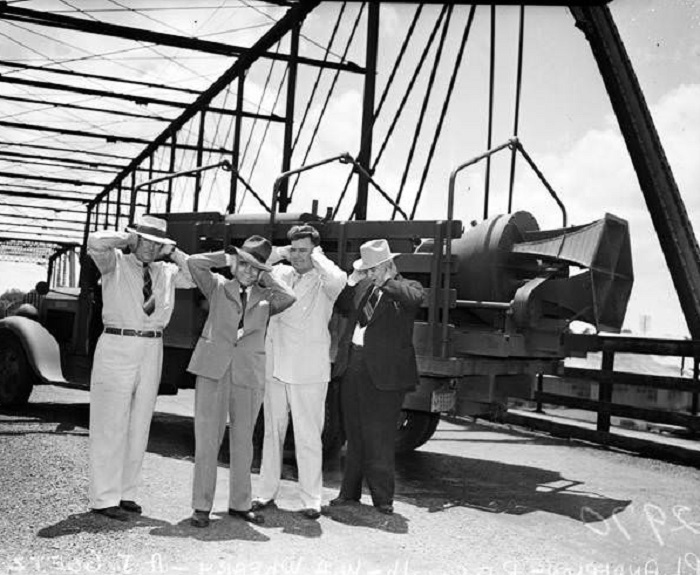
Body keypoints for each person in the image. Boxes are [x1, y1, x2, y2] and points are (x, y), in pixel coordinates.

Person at [88, 214, 193, 521]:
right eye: (145, 240)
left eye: (156, 243)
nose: (149, 248)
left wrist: (172, 252)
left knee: (139, 423)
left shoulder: (169, 271)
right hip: (117, 343)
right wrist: (128, 238)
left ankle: (127, 493)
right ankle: (104, 497)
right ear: (134, 239)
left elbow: (197, 273)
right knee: (110, 422)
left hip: (152, 346)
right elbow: (95, 241)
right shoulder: (114, 262)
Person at [187, 235, 296, 528]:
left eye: (254, 267)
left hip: (248, 373)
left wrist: (267, 272)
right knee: (208, 439)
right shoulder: (218, 287)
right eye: (244, 264)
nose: (248, 271)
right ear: (236, 263)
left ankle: (240, 503)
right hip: (213, 370)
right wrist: (228, 258)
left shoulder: (266, 297)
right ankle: (201, 506)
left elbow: (289, 297)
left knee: (243, 441)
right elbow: (193, 262)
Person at [253, 225, 347, 520]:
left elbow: (339, 279)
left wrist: (314, 255)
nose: (296, 256)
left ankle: (311, 499)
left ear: (316, 251)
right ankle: (266, 493)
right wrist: (285, 250)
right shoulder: (281, 273)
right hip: (276, 362)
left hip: (308, 368)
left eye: (302, 250)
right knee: (272, 432)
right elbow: (257, 264)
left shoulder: (325, 280)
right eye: (293, 250)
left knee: (308, 435)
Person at [329, 238, 424, 515]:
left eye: (372, 269)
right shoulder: (363, 287)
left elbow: (414, 299)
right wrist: (353, 279)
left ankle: (383, 499)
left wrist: (386, 281)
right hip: (353, 366)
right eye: (367, 270)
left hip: (385, 375)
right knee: (354, 433)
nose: (369, 274)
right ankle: (349, 493)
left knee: (379, 436)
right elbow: (343, 305)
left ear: (388, 265)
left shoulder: (408, 287)